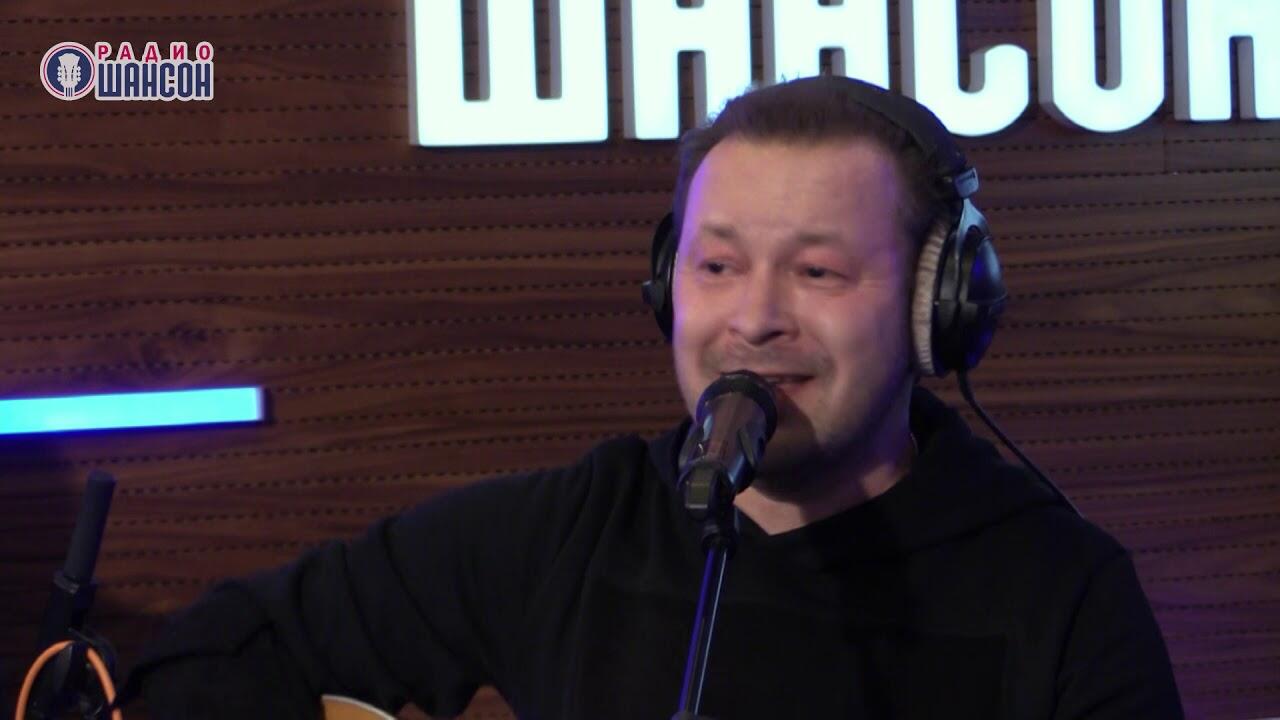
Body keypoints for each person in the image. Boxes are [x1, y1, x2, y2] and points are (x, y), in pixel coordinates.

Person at [119, 76, 1183, 719]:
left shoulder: (1061, 592)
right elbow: (207, 661)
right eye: (717, 267)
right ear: (665, 282)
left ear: (933, 306)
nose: (754, 317)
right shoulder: (567, 532)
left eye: (817, 271)